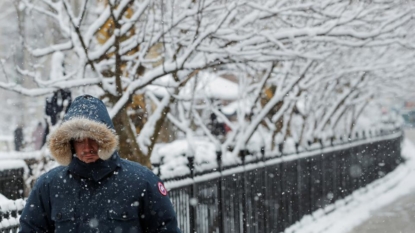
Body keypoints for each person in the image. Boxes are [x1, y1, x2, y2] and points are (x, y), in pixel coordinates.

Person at [19, 95, 181, 233]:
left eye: (94, 139)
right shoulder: (48, 186)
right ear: (70, 143)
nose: (87, 148)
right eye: (80, 140)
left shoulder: (142, 181)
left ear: (105, 140)